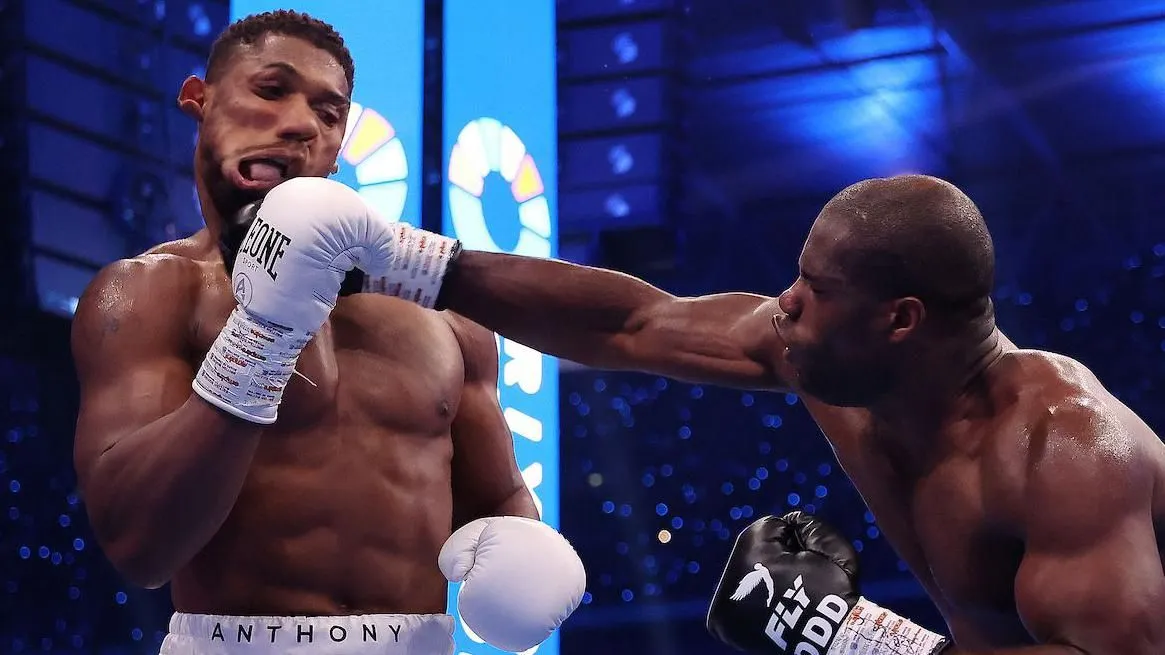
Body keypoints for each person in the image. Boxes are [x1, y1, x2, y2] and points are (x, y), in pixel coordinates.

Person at [372, 174, 1165, 653]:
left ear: (900, 319)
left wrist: (853, 637)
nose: (782, 302)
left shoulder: (1062, 446)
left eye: (816, 289)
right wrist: (407, 263)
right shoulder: (823, 357)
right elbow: (631, 324)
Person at [70, 10, 584, 655]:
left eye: (329, 113)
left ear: (338, 149)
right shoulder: (150, 293)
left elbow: (498, 500)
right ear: (198, 100)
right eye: (270, 89)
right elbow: (138, 547)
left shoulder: (443, 316)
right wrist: (260, 339)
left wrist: (527, 555)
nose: (299, 123)